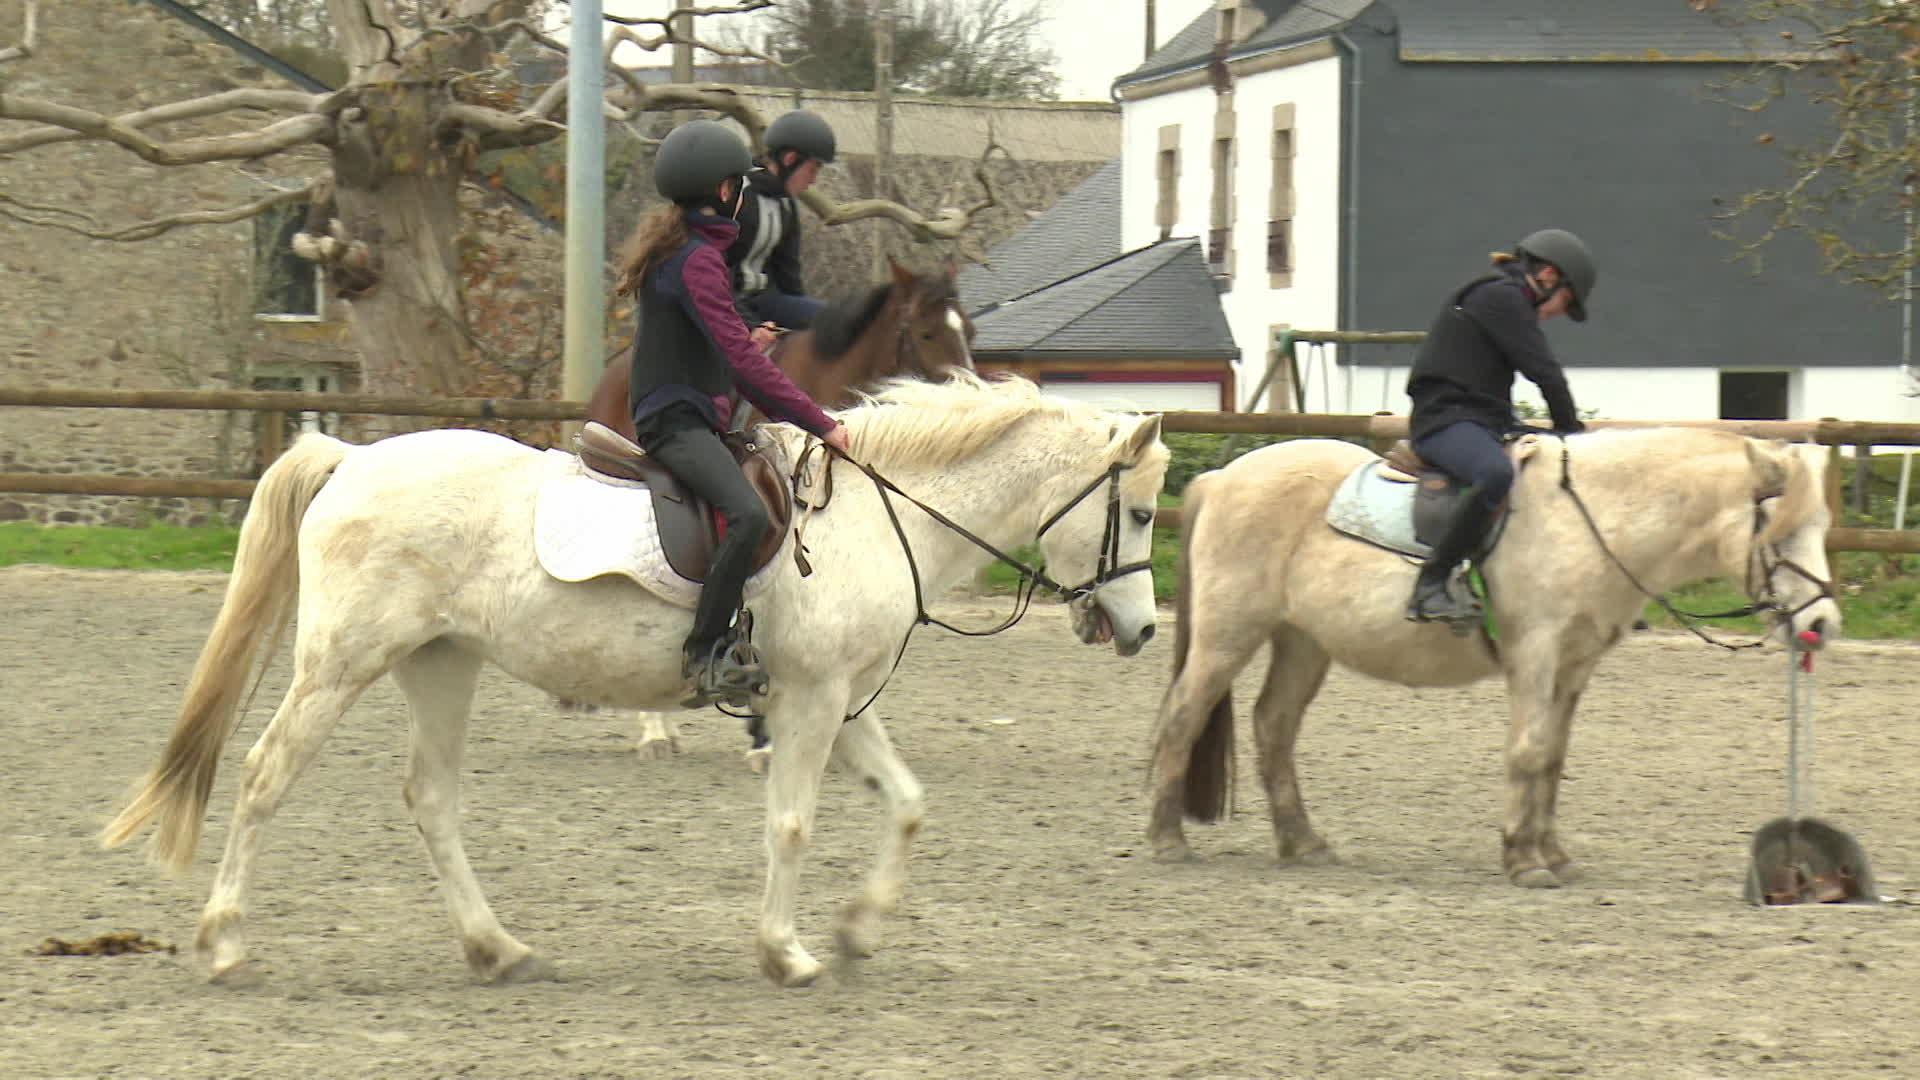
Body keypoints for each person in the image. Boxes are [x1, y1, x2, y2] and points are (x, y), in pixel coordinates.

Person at [615, 118, 853, 708]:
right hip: (676, 420)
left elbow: (709, 341)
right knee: (748, 515)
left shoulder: (686, 251)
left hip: (690, 412)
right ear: (724, 192)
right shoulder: (697, 260)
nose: (745, 196)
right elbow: (742, 368)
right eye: (739, 188)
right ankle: (705, 652)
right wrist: (822, 422)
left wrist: (748, 334)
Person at [1402, 228, 1597, 627]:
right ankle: (1431, 584)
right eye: (1566, 299)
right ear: (1547, 275)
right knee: (1494, 474)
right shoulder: (1500, 297)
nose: (1561, 311)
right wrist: (1572, 436)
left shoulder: (1507, 300)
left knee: (1542, 467)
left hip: (1482, 418)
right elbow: (1546, 373)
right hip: (1445, 419)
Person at [729, 109, 837, 336]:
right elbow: (715, 277)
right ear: (790, 159)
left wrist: (803, 320)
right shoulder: (738, 196)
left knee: (833, 321)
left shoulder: (787, 206)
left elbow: (789, 278)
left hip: (765, 302)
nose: (814, 179)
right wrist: (751, 326)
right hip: (725, 304)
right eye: (813, 168)